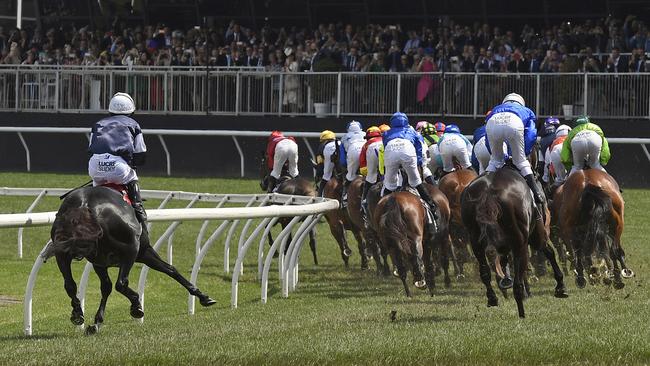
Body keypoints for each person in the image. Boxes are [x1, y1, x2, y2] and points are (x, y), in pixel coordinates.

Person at [88, 92, 148, 237]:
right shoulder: (134, 125)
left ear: (110, 110)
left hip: (95, 166)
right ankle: (139, 209)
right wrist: (133, 164)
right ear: (131, 110)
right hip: (118, 168)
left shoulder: (98, 124)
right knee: (132, 177)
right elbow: (140, 153)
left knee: (96, 189)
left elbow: (91, 149)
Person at [485, 93, 544, 216]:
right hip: (514, 123)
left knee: (495, 162)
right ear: (520, 103)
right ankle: (537, 193)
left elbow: (487, 139)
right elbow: (531, 136)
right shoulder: (527, 111)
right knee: (521, 162)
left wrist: (499, 157)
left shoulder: (495, 109)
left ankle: (482, 191)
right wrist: (522, 154)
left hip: (492, 123)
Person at [382, 112, 439, 228]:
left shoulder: (386, 133)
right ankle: (432, 207)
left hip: (390, 152)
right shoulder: (413, 132)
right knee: (416, 181)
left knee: (389, 184)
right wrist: (417, 164)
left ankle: (381, 211)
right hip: (408, 152)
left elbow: (385, 146)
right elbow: (418, 148)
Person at [359, 126, 383, 226]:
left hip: (371, 159)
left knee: (370, 175)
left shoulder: (366, 145)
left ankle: (364, 204)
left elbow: (363, 168)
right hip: (385, 151)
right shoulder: (384, 140)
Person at [339, 121, 366, 206]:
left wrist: (346, 166)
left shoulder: (344, 137)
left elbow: (342, 160)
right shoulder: (365, 133)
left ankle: (345, 197)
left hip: (353, 150)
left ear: (348, 129)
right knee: (370, 176)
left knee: (350, 176)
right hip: (365, 150)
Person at [316, 130, 337, 197]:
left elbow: (320, 165)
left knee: (326, 176)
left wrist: (318, 174)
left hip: (329, 167)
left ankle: (320, 196)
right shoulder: (340, 143)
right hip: (342, 169)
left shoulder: (322, 146)